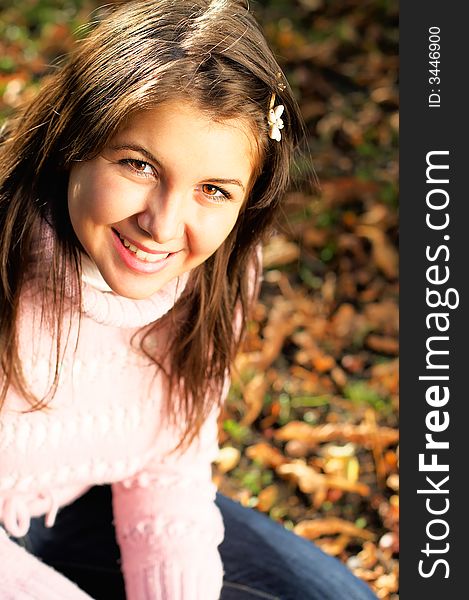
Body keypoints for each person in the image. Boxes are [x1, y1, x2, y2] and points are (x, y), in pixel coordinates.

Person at [0, 1, 377, 598]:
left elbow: (166, 466)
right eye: (138, 165)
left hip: (76, 505)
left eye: (213, 190)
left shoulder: (216, 273)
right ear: (75, 140)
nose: (164, 225)